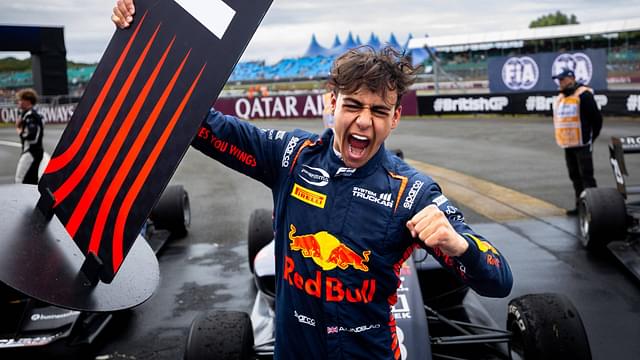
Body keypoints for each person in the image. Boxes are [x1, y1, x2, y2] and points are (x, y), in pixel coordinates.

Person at [113, 3, 512, 358]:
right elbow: (201, 125)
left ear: (394, 119)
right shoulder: (291, 155)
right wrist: (140, 39)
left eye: (378, 111)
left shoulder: (413, 192)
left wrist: (459, 245)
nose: (363, 121)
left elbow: (497, 280)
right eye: (353, 105)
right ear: (330, 103)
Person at [552, 69, 603, 215]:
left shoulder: (584, 95)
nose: (560, 82)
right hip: (568, 144)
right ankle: (580, 206)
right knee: (574, 176)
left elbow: (596, 119)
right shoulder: (561, 97)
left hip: (583, 143)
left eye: (562, 79)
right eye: (559, 80)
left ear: (571, 78)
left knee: (587, 176)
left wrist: (590, 138)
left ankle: (595, 208)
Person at [14, 88, 44, 185]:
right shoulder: (28, 115)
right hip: (34, 152)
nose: (19, 102)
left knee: (20, 180)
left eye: (20, 100)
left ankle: (23, 200)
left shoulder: (31, 116)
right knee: (31, 181)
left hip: (31, 151)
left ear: (27, 101)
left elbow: (32, 137)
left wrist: (19, 130)